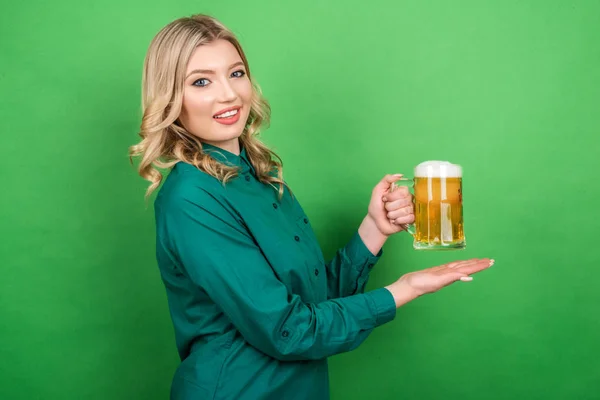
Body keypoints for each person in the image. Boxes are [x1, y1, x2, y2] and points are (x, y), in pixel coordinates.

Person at [129, 13, 493, 400]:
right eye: (201, 81)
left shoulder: (258, 176)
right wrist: (404, 289)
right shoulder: (192, 198)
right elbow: (289, 329)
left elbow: (311, 304)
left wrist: (373, 229)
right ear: (170, 98)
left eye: (235, 73)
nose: (229, 94)